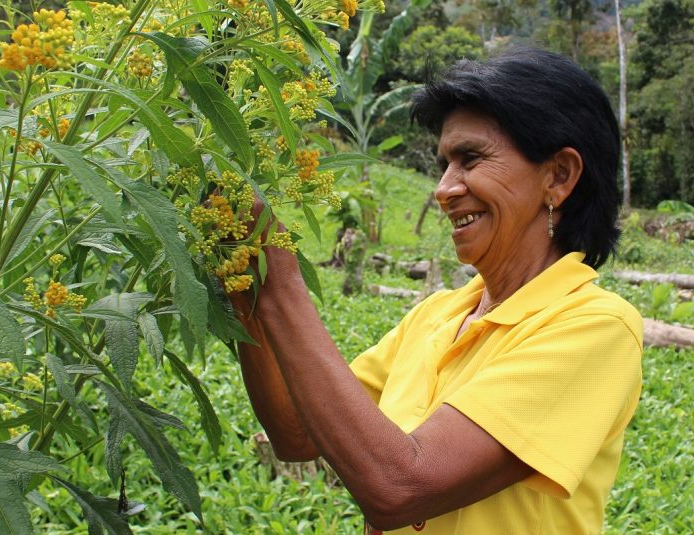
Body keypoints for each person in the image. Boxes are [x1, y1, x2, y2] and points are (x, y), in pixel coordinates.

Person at [228, 48, 643, 534]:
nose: (444, 189)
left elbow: (399, 487)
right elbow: (298, 435)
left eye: (471, 159)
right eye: (444, 163)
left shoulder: (596, 328)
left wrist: (279, 283)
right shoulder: (438, 315)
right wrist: (248, 294)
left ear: (559, 176)